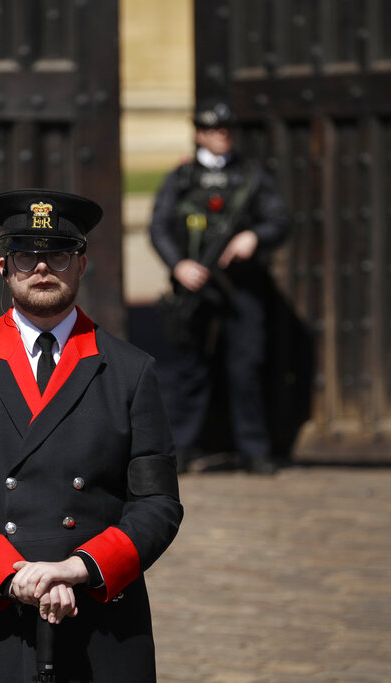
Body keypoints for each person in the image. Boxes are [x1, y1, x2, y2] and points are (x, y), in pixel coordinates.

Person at [0, 189, 183, 681]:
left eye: (58, 255)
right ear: (4, 267)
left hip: (99, 614)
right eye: (26, 256)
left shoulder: (130, 370)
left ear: (81, 265)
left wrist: (78, 568)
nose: (42, 268)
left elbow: (158, 503)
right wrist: (13, 575)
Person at [149, 99, 290, 475]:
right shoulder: (182, 178)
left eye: (226, 130)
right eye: (213, 130)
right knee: (190, 368)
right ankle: (181, 448)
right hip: (194, 288)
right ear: (199, 134)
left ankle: (254, 449)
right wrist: (179, 265)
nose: (221, 136)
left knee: (247, 367)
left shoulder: (250, 176)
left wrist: (254, 237)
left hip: (240, 285)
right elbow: (159, 226)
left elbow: (279, 219)